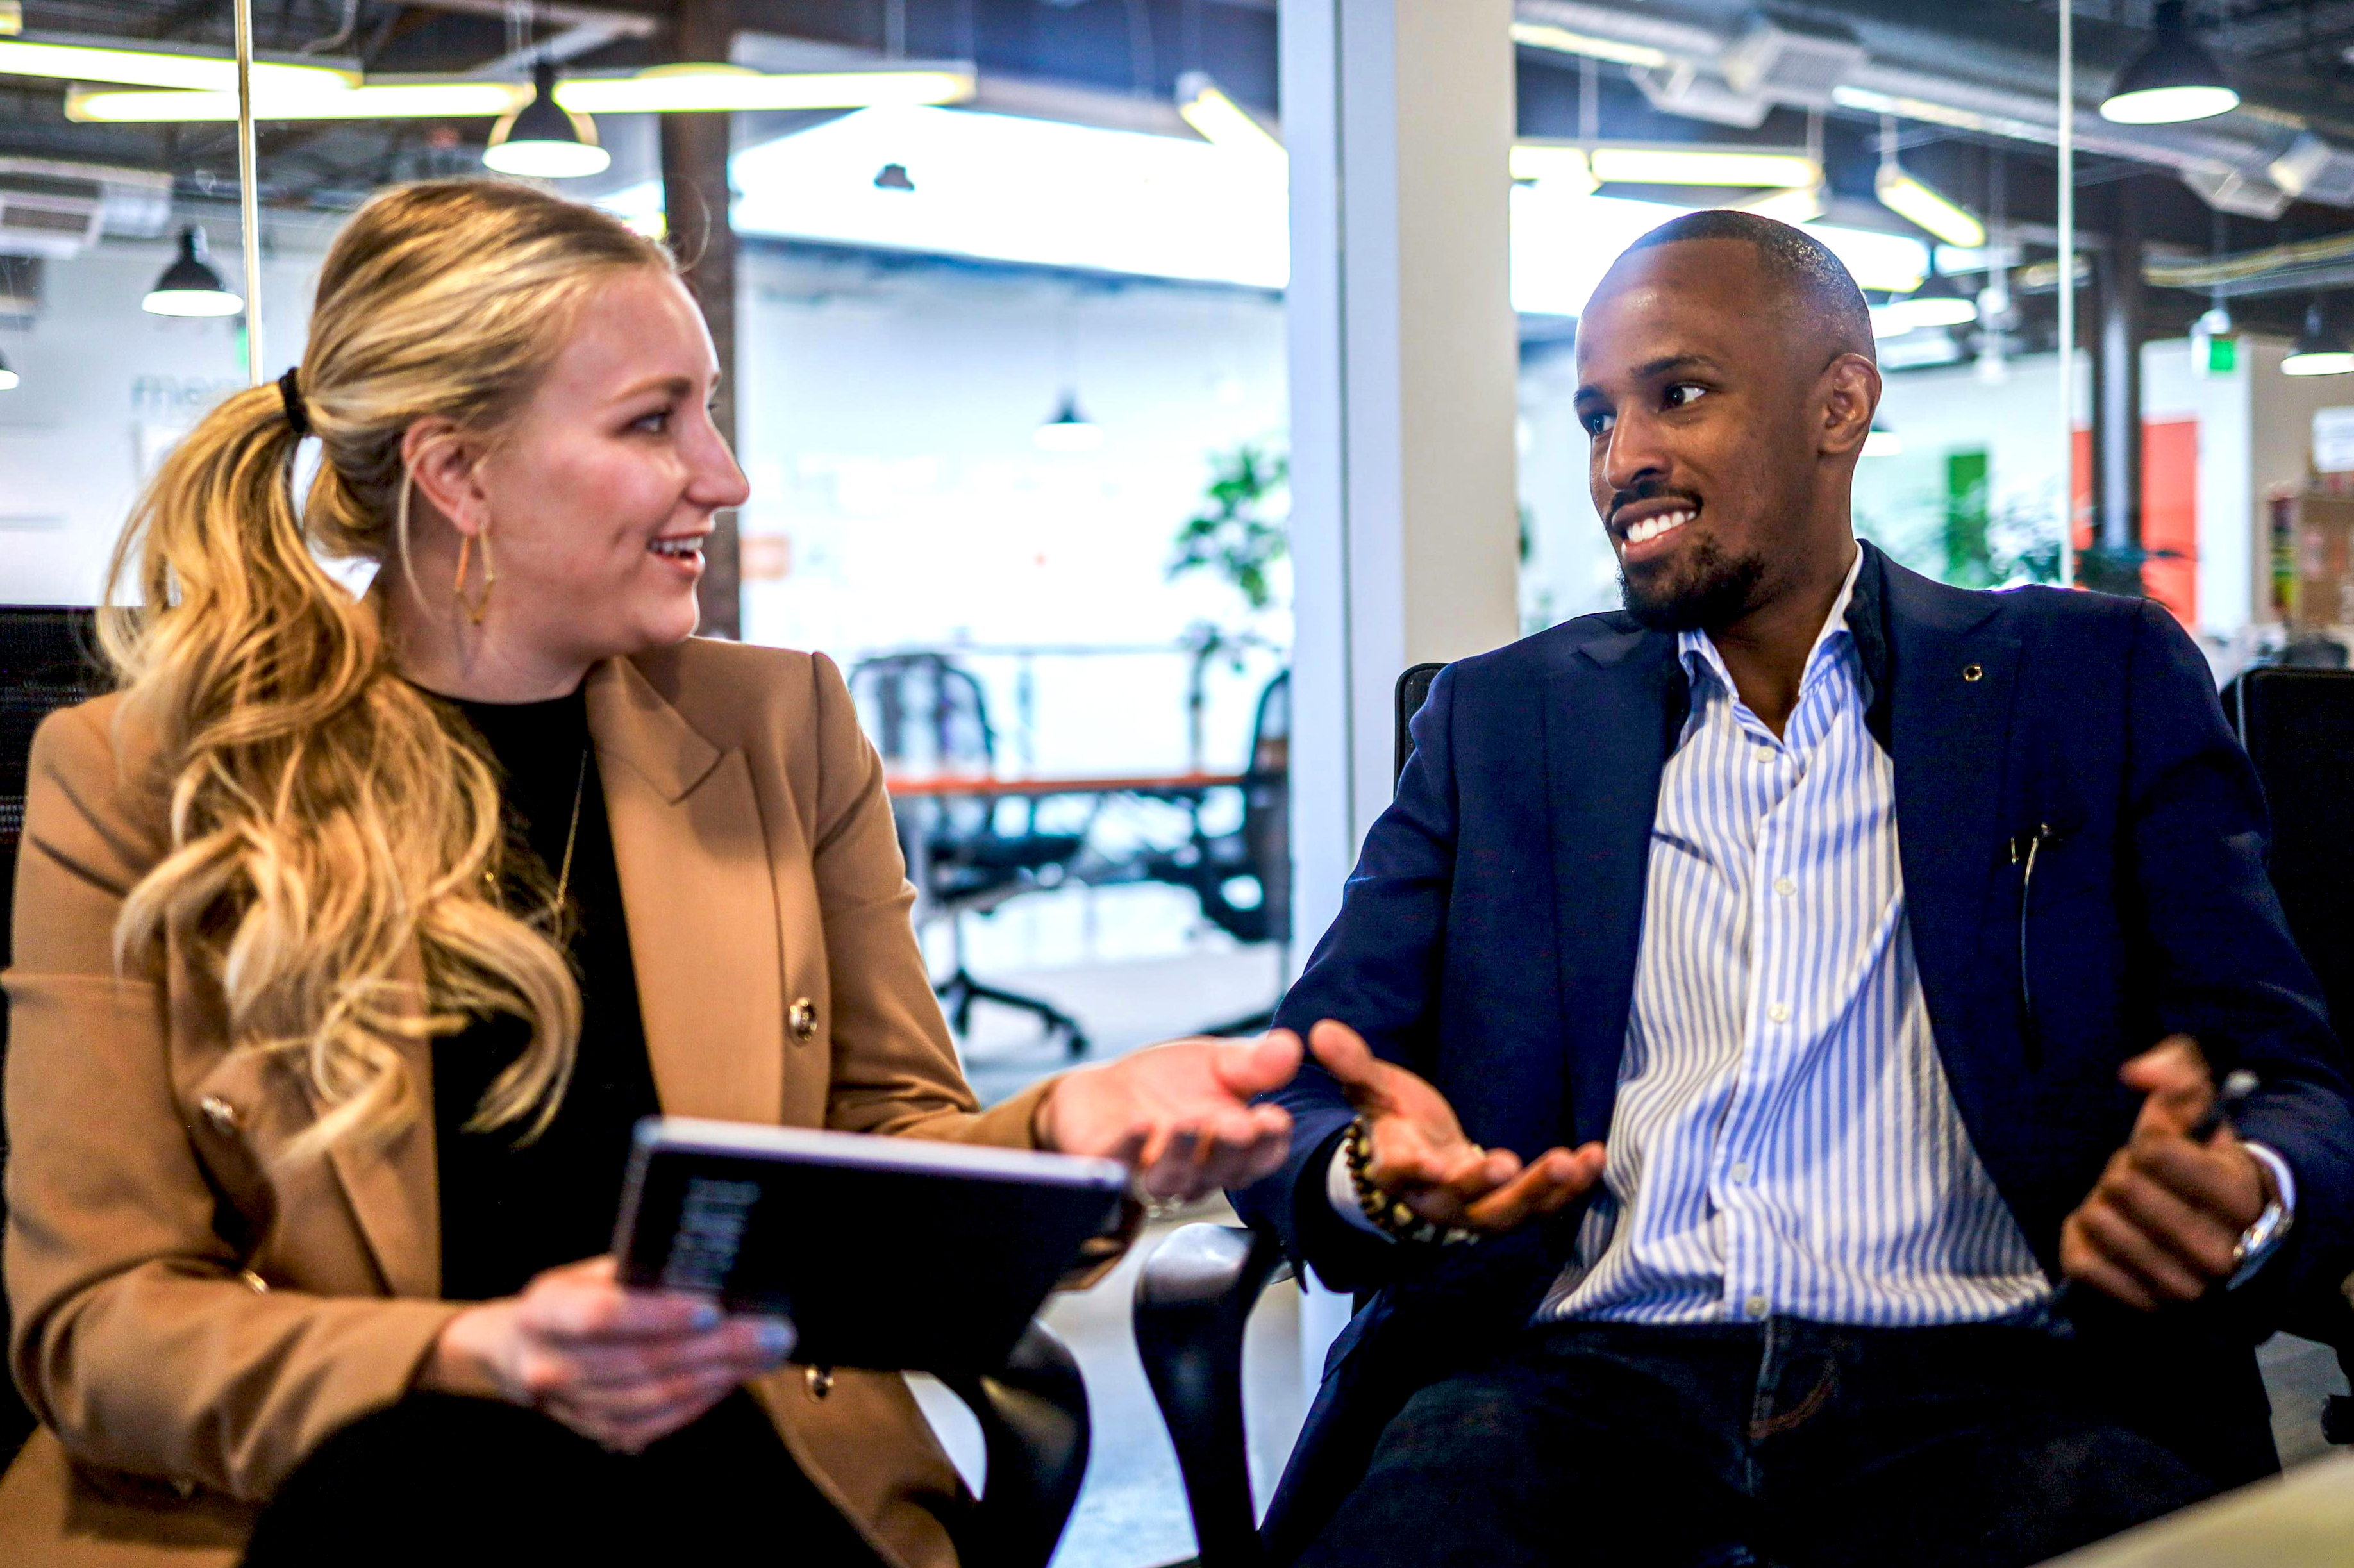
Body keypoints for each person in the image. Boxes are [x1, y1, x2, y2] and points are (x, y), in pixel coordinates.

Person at [0, 178, 1303, 1567]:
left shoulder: (779, 727)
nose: (725, 474)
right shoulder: (154, 776)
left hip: (734, 1488)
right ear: (459, 474)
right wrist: (468, 1352)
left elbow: (876, 1168)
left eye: (711, 408)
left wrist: (1064, 1131)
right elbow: (100, 1323)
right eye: (653, 420)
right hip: (339, 1500)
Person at [1231, 209, 2354, 1568]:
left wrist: (2254, 1185)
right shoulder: (1499, 722)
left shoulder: (2086, 679)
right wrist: (1371, 1172)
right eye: (1598, 415)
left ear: (1842, 404)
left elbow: (2291, 1071)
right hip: (1573, 1381)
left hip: (2000, 1376)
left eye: (1678, 394)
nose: (1622, 456)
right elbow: (1297, 1085)